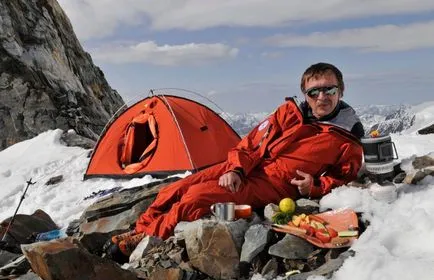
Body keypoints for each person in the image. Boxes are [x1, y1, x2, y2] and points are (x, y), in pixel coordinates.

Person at [108, 62, 365, 257]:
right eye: (314, 91)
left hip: (274, 184)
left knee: (195, 198)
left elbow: (345, 177)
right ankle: (140, 229)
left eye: (329, 89)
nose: (322, 97)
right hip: (249, 168)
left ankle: (145, 240)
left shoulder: (346, 137)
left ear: (341, 91)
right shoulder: (290, 112)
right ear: (305, 94)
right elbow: (252, 143)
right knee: (175, 188)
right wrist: (237, 169)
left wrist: (315, 187)